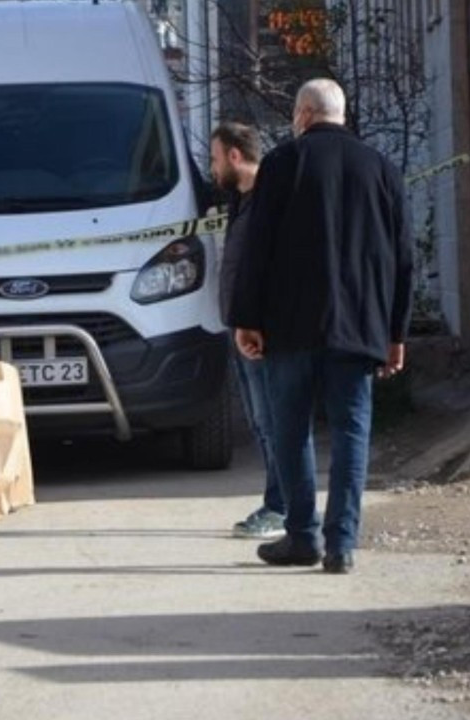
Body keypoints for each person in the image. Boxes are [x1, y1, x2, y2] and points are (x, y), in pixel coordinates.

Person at [228, 78, 413, 574]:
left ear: (304, 114)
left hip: (289, 327)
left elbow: (256, 246)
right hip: (358, 328)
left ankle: (302, 536)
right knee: (353, 431)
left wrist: (245, 318)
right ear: (341, 113)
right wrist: (396, 333)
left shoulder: (283, 165)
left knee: (291, 430)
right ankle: (342, 546)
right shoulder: (382, 169)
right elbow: (403, 260)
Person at [209, 122, 289, 539]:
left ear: (235, 156)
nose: (213, 167)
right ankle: (278, 501)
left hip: (258, 332)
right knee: (262, 422)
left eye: (215, 158)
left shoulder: (269, 199)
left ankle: (283, 507)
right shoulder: (239, 200)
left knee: (274, 420)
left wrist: (256, 321)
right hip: (238, 327)